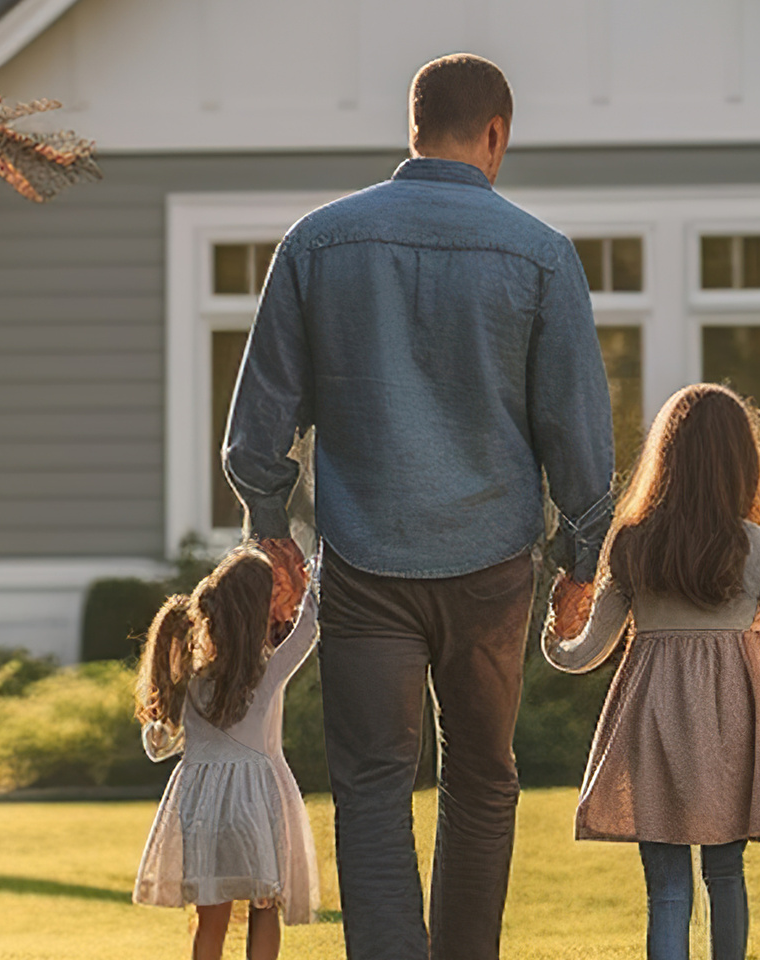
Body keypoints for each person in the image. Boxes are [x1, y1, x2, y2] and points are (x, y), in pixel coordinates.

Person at [221, 52, 612, 960]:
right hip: (492, 568)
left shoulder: (317, 244)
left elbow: (258, 424)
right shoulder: (543, 258)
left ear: (412, 129)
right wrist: (582, 560)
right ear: (495, 135)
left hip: (365, 563)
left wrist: (269, 527)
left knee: (371, 789)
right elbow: (577, 433)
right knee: (483, 782)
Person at [542, 384, 760, 960]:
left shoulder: (632, 543)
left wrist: (556, 628)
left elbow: (586, 653)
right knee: (726, 875)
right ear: (743, 462)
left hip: (651, 724)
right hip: (731, 726)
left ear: (665, 459)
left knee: (667, 890)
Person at [134, 547, 321, 960]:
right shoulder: (265, 671)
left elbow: (159, 745)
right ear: (257, 610)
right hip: (254, 809)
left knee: (211, 918)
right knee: (264, 906)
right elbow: (308, 628)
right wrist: (318, 572)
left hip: (203, 814)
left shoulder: (196, 681)